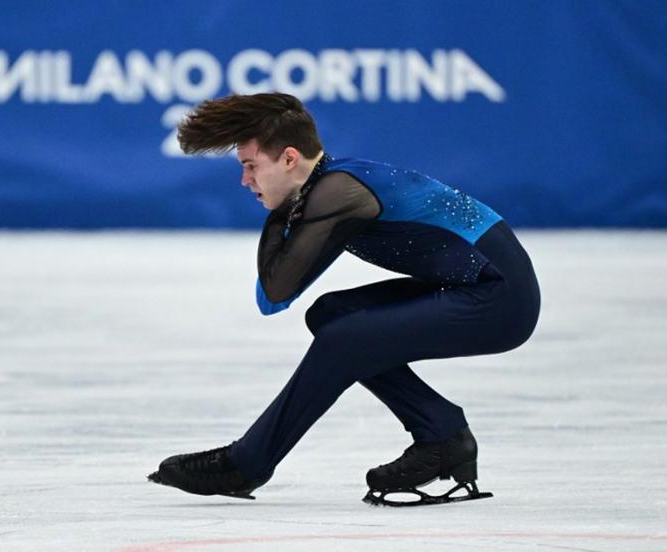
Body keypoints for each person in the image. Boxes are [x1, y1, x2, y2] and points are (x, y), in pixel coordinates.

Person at [147, 92, 540, 507]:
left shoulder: (339, 192)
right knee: (334, 315)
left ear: (289, 159)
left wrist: (279, 212)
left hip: (500, 301)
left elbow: (276, 292)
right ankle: (441, 433)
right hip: (473, 286)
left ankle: (247, 463)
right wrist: (285, 208)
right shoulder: (328, 184)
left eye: (250, 166)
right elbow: (275, 294)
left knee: (346, 338)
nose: (245, 180)